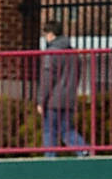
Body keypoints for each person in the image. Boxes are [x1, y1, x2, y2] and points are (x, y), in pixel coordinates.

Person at [36, 18, 90, 155]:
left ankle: (50, 159)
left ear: (50, 34)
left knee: (50, 131)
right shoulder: (72, 53)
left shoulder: (51, 52)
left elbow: (47, 79)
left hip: (53, 99)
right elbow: (77, 75)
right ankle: (83, 149)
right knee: (67, 129)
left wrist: (41, 100)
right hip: (69, 98)